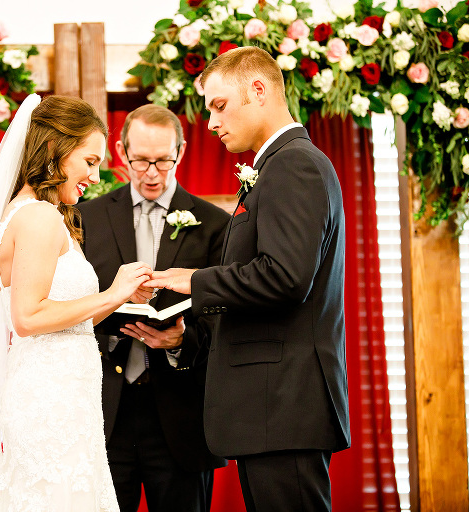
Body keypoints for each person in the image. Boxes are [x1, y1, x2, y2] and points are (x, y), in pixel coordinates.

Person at [146, 47, 350, 511]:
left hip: (283, 403)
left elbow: (286, 277)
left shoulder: (293, 164)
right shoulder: (278, 164)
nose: (211, 123)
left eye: (219, 106)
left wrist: (195, 281)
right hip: (271, 408)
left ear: (258, 90)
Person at [0, 94, 151, 511]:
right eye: (90, 161)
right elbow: (28, 316)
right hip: (51, 404)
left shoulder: (37, 213)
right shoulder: (38, 216)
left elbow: (67, 321)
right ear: (55, 148)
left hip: (65, 397)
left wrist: (120, 296)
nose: (96, 175)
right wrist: (110, 293)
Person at [77, 104, 229, 512]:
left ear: (181, 151)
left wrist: (181, 341)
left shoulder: (214, 224)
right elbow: (71, 303)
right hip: (104, 409)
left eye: (164, 160)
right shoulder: (86, 218)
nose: (151, 173)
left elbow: (225, 317)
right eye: (140, 160)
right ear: (121, 152)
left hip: (181, 414)